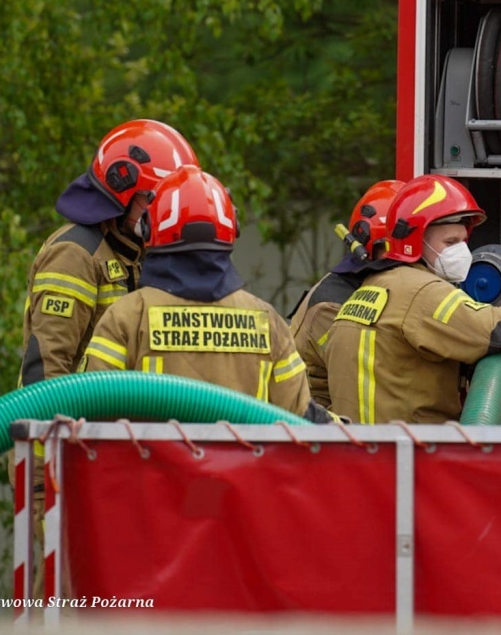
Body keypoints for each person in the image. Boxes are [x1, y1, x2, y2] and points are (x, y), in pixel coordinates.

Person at [83, 165, 328, 422]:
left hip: (153, 463)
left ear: (148, 227)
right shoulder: (268, 322)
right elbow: (300, 419)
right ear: (232, 227)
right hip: (245, 464)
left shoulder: (127, 317)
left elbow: (90, 409)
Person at [325, 174, 501, 424]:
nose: (461, 251)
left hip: (360, 451)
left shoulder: (370, 289)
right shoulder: (421, 292)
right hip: (411, 452)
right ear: (415, 241)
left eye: (463, 241)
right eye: (450, 242)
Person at [18, 119, 199, 389]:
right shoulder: (74, 255)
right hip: (77, 423)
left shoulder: (139, 252)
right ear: (122, 186)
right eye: (155, 198)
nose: (165, 209)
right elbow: (47, 368)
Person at [289, 179, 403, 407]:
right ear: (366, 244)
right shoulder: (330, 307)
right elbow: (371, 380)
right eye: (394, 247)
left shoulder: (372, 285)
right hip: (320, 430)